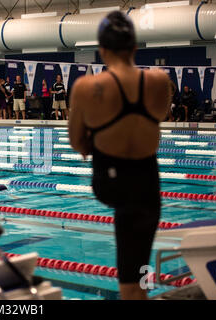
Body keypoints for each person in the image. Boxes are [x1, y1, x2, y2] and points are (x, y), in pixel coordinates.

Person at [68, 11, 170, 300]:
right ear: (135, 48)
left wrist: (98, 139)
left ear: (102, 50)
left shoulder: (87, 87)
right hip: (146, 182)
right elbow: (159, 116)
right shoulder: (159, 81)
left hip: (110, 180)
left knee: (132, 271)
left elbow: (76, 141)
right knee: (138, 263)